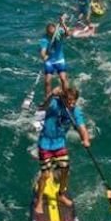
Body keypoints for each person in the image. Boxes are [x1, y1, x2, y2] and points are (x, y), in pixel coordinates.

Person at [34, 86, 91, 214]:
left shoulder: (75, 111)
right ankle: (39, 201)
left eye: (73, 102)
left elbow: (82, 127)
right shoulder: (54, 103)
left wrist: (86, 139)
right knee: (45, 175)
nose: (71, 104)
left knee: (65, 169)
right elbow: (41, 107)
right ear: (64, 98)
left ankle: (61, 194)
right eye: (68, 101)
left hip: (60, 144)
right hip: (45, 143)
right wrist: (51, 95)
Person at [39, 16, 69, 100]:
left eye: (53, 33)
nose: (52, 35)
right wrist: (44, 56)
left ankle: (66, 96)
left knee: (63, 79)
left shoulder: (59, 32)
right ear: (47, 33)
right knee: (47, 81)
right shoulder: (44, 39)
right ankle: (47, 99)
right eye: (50, 34)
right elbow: (42, 52)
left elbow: (68, 34)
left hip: (59, 60)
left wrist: (63, 23)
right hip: (50, 62)